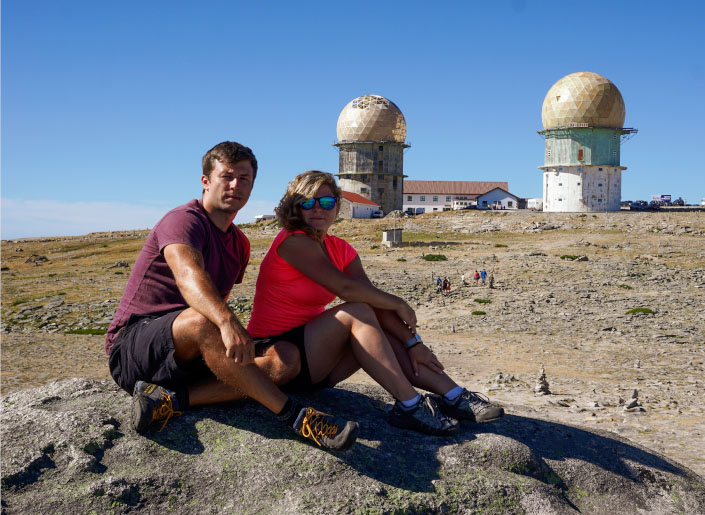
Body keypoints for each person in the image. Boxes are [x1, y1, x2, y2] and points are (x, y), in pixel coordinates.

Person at [104, 142, 357, 451]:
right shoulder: (183, 220)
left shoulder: (239, 243)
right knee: (200, 320)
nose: (236, 185)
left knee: (285, 360)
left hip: (189, 357)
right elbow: (189, 277)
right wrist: (226, 322)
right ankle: (297, 417)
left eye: (244, 178)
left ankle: (170, 400)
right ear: (206, 181)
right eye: (227, 176)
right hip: (136, 348)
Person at [247, 171, 503, 436]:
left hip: (316, 361)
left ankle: (453, 395)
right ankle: (411, 405)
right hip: (278, 355)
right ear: (295, 207)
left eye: (326, 203)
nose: (317, 210)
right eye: (308, 203)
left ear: (337, 205)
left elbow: (369, 297)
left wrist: (413, 343)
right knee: (357, 312)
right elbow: (345, 289)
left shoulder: (340, 249)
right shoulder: (293, 241)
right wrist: (399, 302)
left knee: (376, 324)